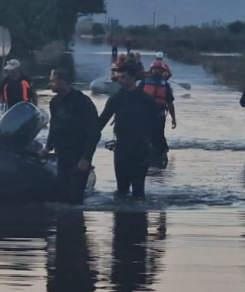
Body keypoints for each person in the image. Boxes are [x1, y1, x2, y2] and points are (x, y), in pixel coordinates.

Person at [40, 67, 101, 204]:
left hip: (79, 156)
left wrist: (86, 158)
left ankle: (76, 224)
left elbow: (94, 132)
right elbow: (54, 126)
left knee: (75, 198)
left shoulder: (82, 102)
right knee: (62, 196)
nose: (50, 85)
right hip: (62, 156)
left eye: (53, 81)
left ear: (63, 82)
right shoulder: (54, 102)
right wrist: (48, 147)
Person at [99, 63, 158, 200]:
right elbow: (101, 122)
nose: (119, 80)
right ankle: (120, 219)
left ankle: (140, 219)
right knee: (121, 190)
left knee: (138, 190)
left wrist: (160, 149)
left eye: (123, 77)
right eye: (119, 77)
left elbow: (156, 126)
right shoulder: (115, 99)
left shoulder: (146, 100)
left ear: (133, 78)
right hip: (121, 147)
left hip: (140, 148)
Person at [140, 53, 177, 167]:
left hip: (159, 114)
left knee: (159, 134)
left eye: (159, 70)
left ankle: (161, 152)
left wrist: (173, 119)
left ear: (162, 72)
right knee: (143, 133)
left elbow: (170, 103)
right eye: (155, 69)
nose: (157, 71)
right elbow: (135, 97)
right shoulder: (144, 82)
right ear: (151, 70)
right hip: (144, 114)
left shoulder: (165, 85)